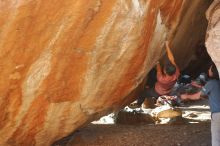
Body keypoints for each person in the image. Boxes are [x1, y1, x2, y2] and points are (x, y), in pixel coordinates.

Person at [136, 41, 180, 107]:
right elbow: (172, 59)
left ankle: (138, 104)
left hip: (157, 92)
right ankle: (149, 86)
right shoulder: (176, 72)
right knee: (152, 74)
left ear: (165, 72)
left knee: (143, 93)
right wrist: (167, 45)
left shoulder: (161, 78)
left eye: (164, 69)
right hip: (167, 90)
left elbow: (158, 67)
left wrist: (157, 61)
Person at [200, 63, 220, 146]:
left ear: (213, 72)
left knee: (216, 138)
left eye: (210, 69)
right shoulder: (218, 82)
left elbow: (198, 95)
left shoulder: (212, 82)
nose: (208, 70)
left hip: (217, 114)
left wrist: (186, 96)